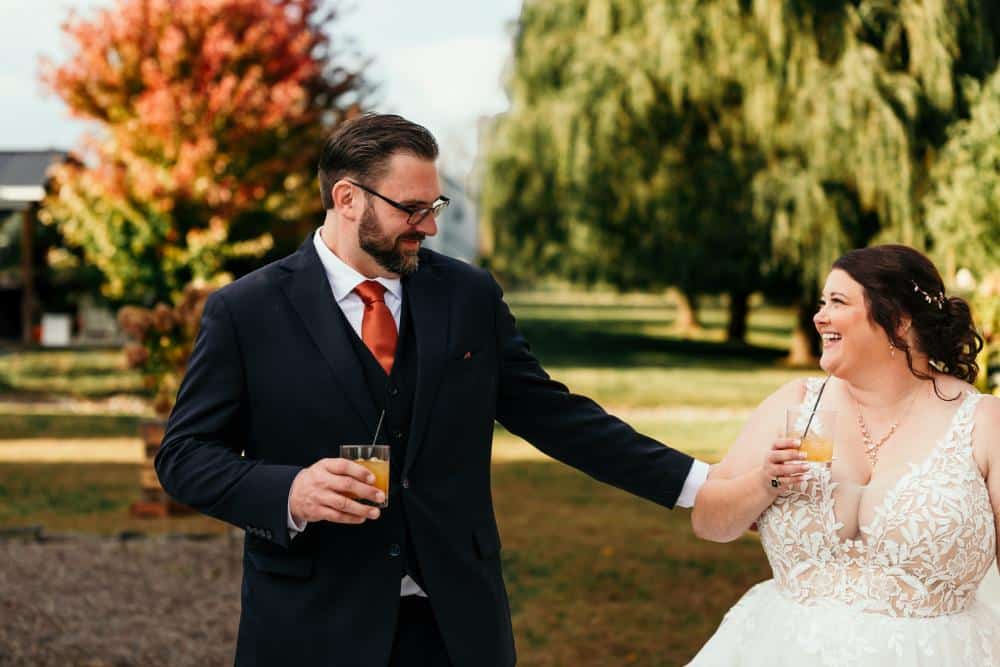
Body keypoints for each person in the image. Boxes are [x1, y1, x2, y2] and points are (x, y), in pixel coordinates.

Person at [155, 113, 709, 667]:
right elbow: (184, 455)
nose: (429, 228)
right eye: (411, 209)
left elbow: (554, 415)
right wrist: (291, 491)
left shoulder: (469, 296)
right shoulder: (245, 311)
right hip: (310, 628)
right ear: (347, 199)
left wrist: (699, 485)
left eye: (435, 207)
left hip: (457, 629)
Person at [688, 245, 1000, 665]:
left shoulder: (983, 422)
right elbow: (707, 521)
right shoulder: (796, 404)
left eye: (837, 302)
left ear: (899, 320)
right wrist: (766, 482)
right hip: (781, 649)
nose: (819, 317)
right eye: (822, 303)